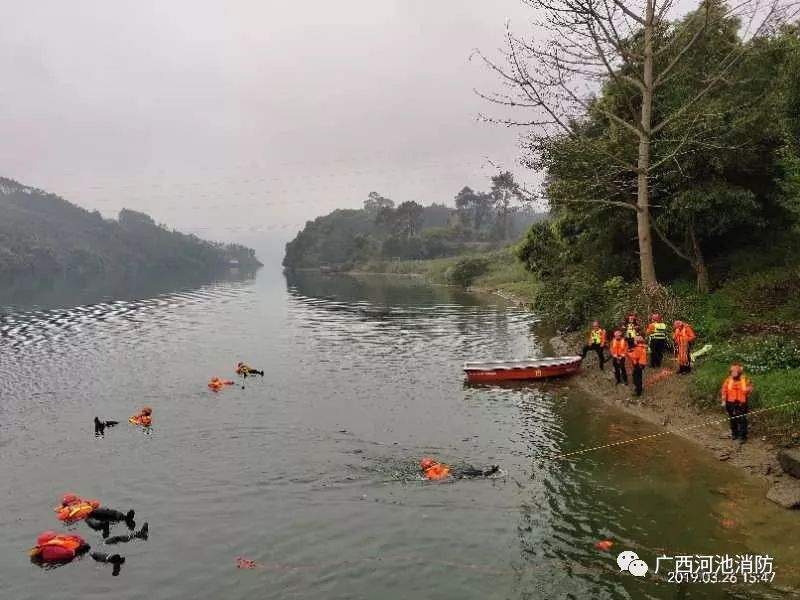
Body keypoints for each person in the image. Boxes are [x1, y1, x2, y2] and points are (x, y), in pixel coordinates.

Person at [721, 364, 753, 442]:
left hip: (742, 403)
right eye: (732, 373)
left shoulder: (745, 379)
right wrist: (723, 401)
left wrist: (747, 390)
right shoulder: (728, 380)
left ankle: (743, 437)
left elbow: (750, 388)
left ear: (739, 373)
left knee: (742, 419)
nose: (734, 375)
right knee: (732, 419)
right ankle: (734, 434)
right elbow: (724, 390)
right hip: (730, 403)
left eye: (735, 373)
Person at [419, 457, 499, 481]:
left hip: (454, 471)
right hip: (453, 474)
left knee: (471, 471)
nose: (432, 462)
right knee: (471, 474)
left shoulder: (435, 465)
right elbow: (438, 478)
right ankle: (491, 472)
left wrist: (447, 468)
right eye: (430, 462)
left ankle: (488, 471)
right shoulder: (430, 472)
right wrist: (446, 471)